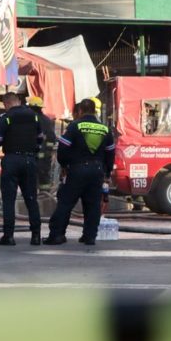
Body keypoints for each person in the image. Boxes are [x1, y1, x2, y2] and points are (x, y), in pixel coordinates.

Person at [44, 98, 116, 246]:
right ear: (95, 111)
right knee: (93, 205)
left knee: (65, 203)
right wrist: (107, 173)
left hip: (77, 170)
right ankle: (89, 237)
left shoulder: (75, 126)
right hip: (97, 171)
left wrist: (64, 165)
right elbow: (110, 153)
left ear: (81, 110)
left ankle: (57, 235)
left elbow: (63, 148)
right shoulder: (104, 129)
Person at [0, 92, 44, 246]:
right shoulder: (33, 116)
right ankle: (36, 236)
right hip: (30, 160)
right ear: (19, 101)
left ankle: (9, 236)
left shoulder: (6, 118)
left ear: (6, 104)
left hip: (12, 160)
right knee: (31, 199)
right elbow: (40, 138)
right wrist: (32, 151)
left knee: (8, 200)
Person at [28, 96, 57, 195]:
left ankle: (30, 200)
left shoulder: (27, 120)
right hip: (44, 158)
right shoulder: (46, 120)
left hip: (30, 156)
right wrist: (48, 151)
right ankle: (45, 199)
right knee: (44, 180)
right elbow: (51, 138)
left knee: (30, 180)